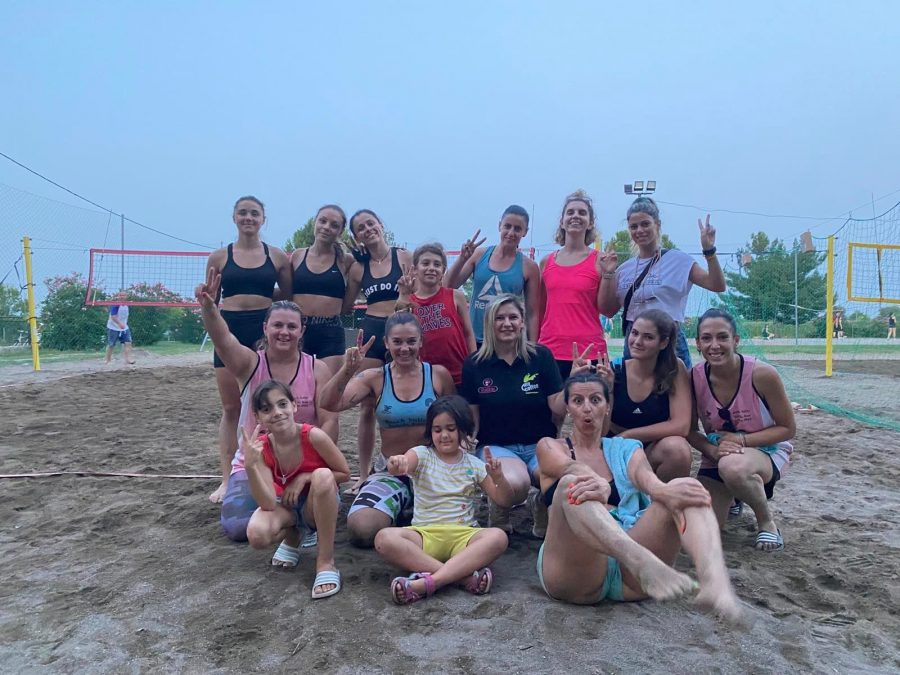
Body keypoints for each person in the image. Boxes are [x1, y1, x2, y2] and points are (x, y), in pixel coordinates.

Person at [535, 372, 741, 621]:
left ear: (607, 407)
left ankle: (716, 583)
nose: (587, 408)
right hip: (577, 571)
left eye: (595, 400)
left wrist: (665, 491)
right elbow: (570, 468)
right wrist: (597, 482)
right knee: (572, 485)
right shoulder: (550, 446)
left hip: (630, 577)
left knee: (685, 486)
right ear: (568, 408)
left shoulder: (624, 448)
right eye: (578, 401)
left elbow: (645, 477)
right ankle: (640, 561)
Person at [196, 267, 337, 542]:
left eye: (291, 326)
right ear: (265, 328)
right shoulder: (250, 364)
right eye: (277, 325)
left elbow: (330, 421)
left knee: (321, 514)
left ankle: (294, 515)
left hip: (303, 464)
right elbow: (223, 340)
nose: (284, 332)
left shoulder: (317, 369)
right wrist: (210, 309)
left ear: (302, 331)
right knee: (238, 528)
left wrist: (315, 467)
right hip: (257, 462)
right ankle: (290, 521)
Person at [319, 311, 455, 547]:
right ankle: (402, 508)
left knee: (451, 527)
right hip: (391, 471)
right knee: (361, 529)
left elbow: (456, 421)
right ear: (386, 343)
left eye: (411, 341)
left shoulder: (437, 375)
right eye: (397, 342)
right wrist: (347, 369)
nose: (405, 348)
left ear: (421, 342)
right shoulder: (375, 378)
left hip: (433, 469)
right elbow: (329, 403)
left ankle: (410, 510)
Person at [460, 294, 589, 536]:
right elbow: (473, 416)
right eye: (500, 318)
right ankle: (500, 504)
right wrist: (467, 439)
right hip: (497, 446)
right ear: (489, 323)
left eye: (513, 317)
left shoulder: (541, 357)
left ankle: (540, 501)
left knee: (562, 477)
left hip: (540, 445)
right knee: (515, 485)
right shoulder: (475, 364)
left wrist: (572, 382)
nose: (507, 323)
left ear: (522, 322)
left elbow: (557, 408)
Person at [374, 395, 511, 604]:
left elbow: (503, 499)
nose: (444, 435)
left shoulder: (474, 464)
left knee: (498, 537)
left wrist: (499, 478)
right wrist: (397, 463)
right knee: (384, 538)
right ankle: (462, 578)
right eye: (437, 430)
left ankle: (427, 582)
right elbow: (401, 465)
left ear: (463, 430)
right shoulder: (421, 455)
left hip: (464, 537)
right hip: (424, 536)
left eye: (451, 429)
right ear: (430, 432)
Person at [205, 196, 293, 503]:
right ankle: (227, 479)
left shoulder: (277, 257)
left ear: (263, 219)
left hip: (262, 330)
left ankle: (272, 470)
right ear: (234, 217)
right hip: (229, 328)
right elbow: (210, 302)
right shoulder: (219, 257)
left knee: (266, 404)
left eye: (254, 213)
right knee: (231, 408)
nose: (248, 218)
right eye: (243, 213)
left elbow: (288, 296)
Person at [688, 309, 796, 552]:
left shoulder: (762, 374)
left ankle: (766, 522)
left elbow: (788, 428)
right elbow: (690, 431)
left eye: (722, 337)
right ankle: (735, 496)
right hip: (718, 454)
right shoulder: (694, 377)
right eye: (706, 338)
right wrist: (711, 451)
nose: (714, 345)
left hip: (765, 451)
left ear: (736, 340)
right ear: (697, 343)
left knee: (733, 467)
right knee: (701, 530)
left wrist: (741, 440)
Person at [242, 380, 350, 599]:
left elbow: (344, 473)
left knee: (323, 475)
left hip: (317, 504)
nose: (277, 412)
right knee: (257, 534)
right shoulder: (261, 447)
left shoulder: (313, 435)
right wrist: (250, 466)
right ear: (257, 417)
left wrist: (304, 477)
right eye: (266, 409)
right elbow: (268, 503)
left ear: (294, 405)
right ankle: (293, 535)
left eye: (282, 404)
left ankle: (325, 562)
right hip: (287, 505)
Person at [597, 197, 725, 369]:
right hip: (635, 339)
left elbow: (717, 285)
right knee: (636, 385)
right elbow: (608, 310)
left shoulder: (678, 260)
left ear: (657, 225)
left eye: (645, 224)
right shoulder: (624, 269)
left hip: (668, 338)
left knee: (675, 384)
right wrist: (607, 274)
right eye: (634, 226)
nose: (639, 230)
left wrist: (709, 251)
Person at [343, 209, 414, 494]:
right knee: (367, 406)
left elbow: (420, 291)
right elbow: (346, 305)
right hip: (373, 330)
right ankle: (363, 474)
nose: (367, 229)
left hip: (403, 328)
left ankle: (411, 465)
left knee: (409, 396)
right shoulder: (359, 268)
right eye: (360, 228)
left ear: (381, 224)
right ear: (356, 236)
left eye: (370, 223)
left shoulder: (404, 257)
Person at [607, 309, 692, 482]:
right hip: (614, 448)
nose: (637, 341)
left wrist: (627, 435)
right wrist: (607, 389)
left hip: (651, 448)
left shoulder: (674, 369)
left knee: (678, 450)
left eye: (648, 337)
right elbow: (596, 424)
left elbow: (681, 425)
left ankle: (663, 497)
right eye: (634, 333)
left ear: (663, 342)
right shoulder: (614, 370)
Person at [444, 205, 542, 344]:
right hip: (474, 340)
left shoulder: (529, 267)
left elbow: (532, 313)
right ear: (499, 226)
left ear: (525, 232)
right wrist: (462, 259)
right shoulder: (479, 255)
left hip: (506, 342)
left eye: (517, 229)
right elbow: (448, 286)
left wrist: (533, 347)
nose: (511, 232)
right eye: (507, 226)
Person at [539, 190, 608, 380]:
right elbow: (539, 310)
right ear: (562, 221)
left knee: (590, 400)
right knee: (552, 400)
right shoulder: (546, 262)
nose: (575, 216)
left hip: (589, 352)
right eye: (570, 212)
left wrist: (609, 274)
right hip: (550, 351)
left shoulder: (601, 261)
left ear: (590, 222)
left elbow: (608, 309)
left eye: (582, 212)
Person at [396, 242, 476, 385]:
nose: (431, 268)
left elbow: (469, 333)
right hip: (427, 377)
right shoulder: (409, 301)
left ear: (443, 270)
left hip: (460, 373)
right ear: (415, 269)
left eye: (437, 264)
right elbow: (398, 328)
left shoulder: (455, 296)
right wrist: (403, 295)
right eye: (425, 263)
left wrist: (474, 363)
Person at [290, 204, 355, 374]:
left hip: (330, 331)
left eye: (334, 225)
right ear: (315, 222)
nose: (326, 227)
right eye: (323, 221)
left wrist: (364, 255)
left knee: (329, 385)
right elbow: (285, 292)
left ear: (340, 231)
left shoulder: (346, 260)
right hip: (299, 328)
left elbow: (365, 276)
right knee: (295, 383)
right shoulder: (298, 256)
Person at [104, 291, 135, 364]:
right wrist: (120, 324)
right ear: (118, 296)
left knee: (128, 342)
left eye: (123, 295)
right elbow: (113, 316)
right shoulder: (116, 305)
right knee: (111, 344)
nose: (122, 297)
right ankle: (108, 360)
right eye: (120, 295)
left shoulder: (127, 305)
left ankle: (128, 360)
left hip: (124, 327)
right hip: (113, 327)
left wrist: (123, 324)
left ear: (126, 296)